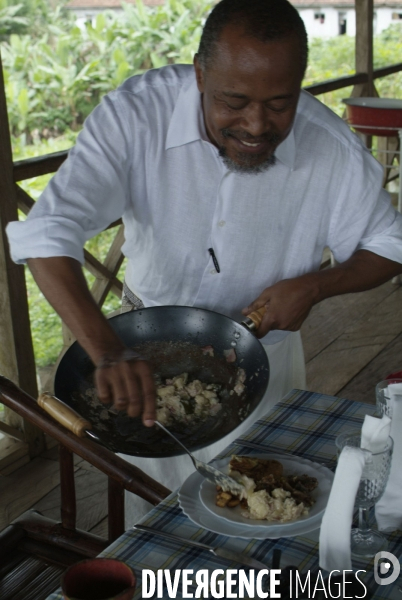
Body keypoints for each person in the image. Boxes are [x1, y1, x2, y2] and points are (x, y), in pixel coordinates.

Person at [6, 0, 402, 523]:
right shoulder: (137, 116)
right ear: (199, 74)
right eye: (233, 101)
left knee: (260, 515)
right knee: (151, 522)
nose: (257, 124)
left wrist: (317, 286)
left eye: (281, 104)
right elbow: (46, 231)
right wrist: (104, 349)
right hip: (141, 364)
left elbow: (390, 244)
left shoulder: (329, 147)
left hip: (264, 364)